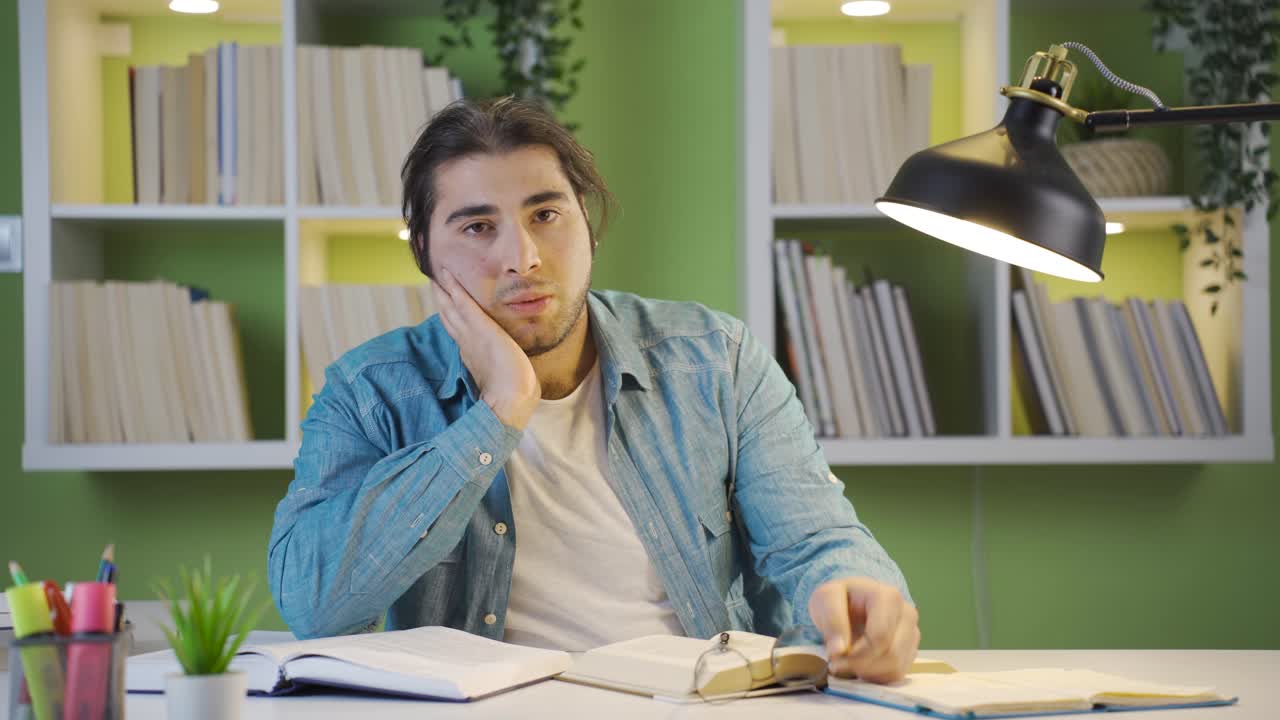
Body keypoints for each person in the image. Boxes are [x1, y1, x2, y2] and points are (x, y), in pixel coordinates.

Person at [268, 96, 919, 683]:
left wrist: (857, 591)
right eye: (476, 227)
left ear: (588, 223)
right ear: (428, 262)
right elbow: (313, 604)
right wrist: (496, 416)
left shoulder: (716, 360)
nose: (522, 257)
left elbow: (814, 538)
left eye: (545, 213)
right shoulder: (370, 389)